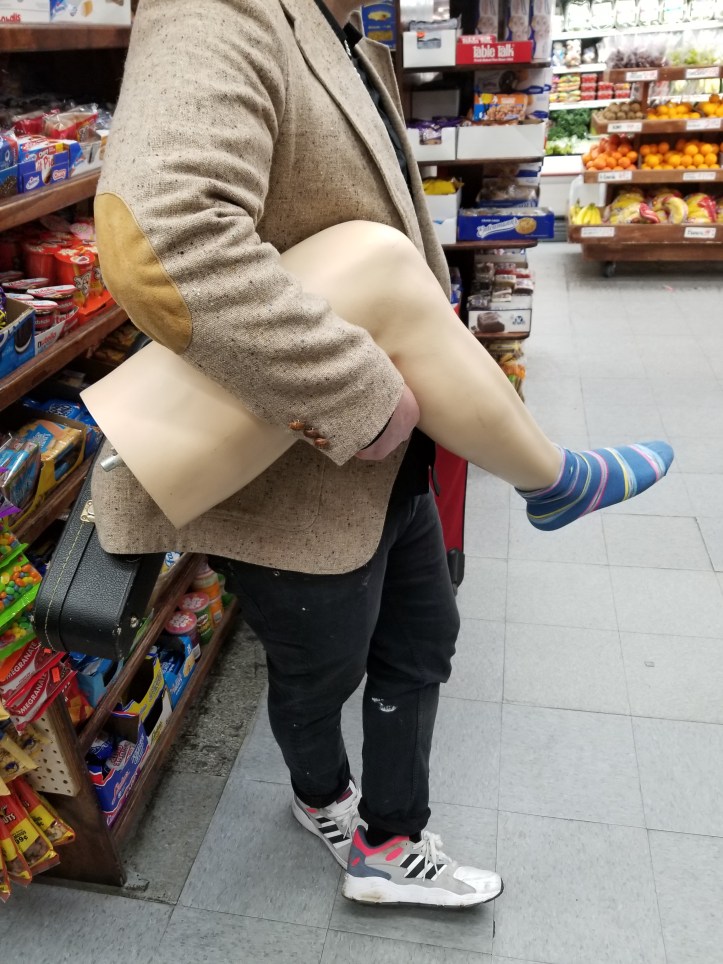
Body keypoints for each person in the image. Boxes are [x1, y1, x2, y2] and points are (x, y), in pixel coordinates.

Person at [92, 0, 672, 908]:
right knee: (318, 675)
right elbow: (158, 238)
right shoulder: (218, 8)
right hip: (294, 469)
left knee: (424, 639)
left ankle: (389, 837)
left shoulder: (336, 29)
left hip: (389, 459)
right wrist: (351, 391)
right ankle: (324, 798)